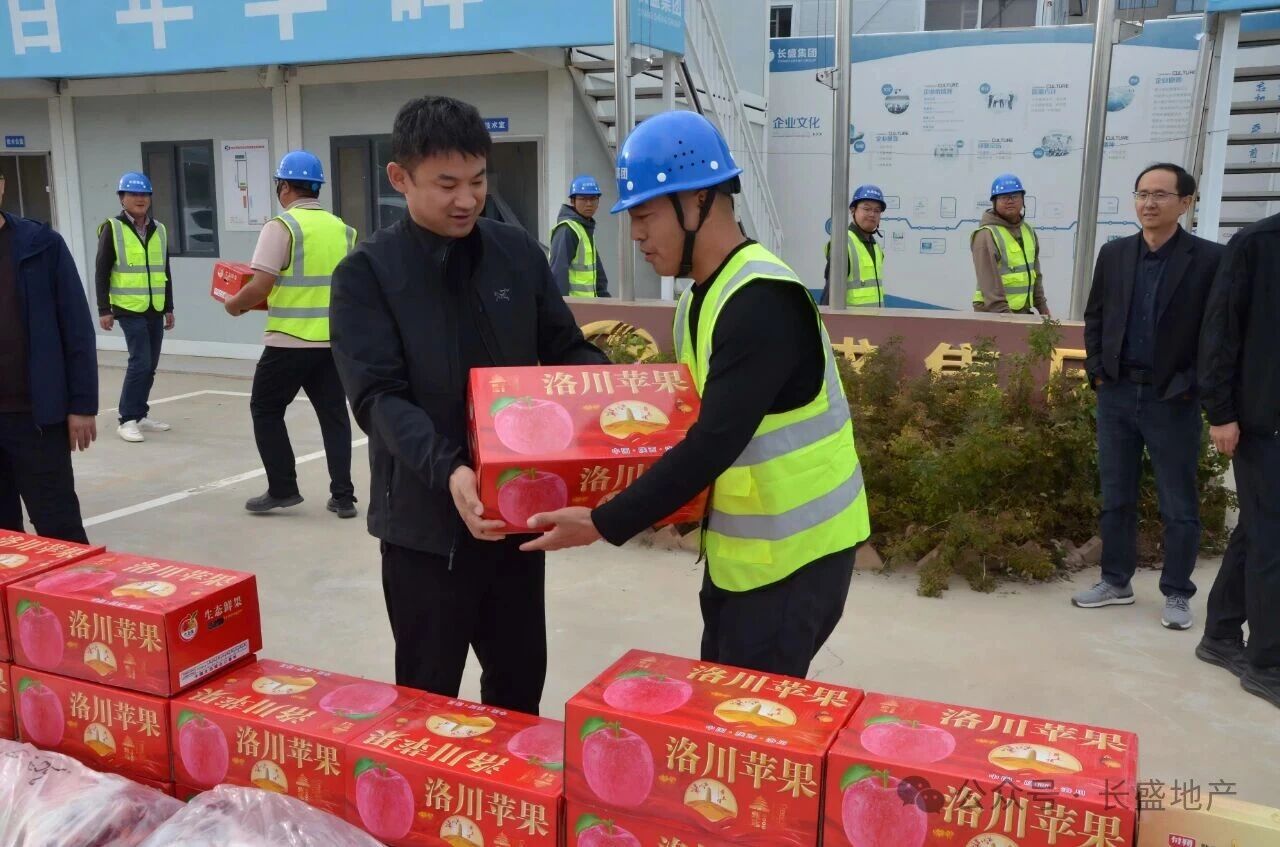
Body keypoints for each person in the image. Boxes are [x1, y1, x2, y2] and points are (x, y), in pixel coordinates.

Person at [522, 111, 871, 678]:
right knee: (721, 702)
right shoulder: (699, 299)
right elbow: (681, 416)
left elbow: (713, 442)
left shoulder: (761, 301)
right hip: (745, 556)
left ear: (698, 201)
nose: (635, 234)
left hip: (795, 561)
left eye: (644, 215)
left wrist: (606, 520)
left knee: (749, 720)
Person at [329, 96, 608, 715]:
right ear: (400, 177)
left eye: (478, 181)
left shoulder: (517, 253)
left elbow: (564, 348)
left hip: (517, 520)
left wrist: (616, 395)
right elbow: (377, 397)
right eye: (446, 184)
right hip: (427, 530)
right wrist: (450, 468)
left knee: (518, 689)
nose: (466, 199)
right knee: (428, 700)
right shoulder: (368, 274)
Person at [1075, 163, 1224, 630]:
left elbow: (1218, 332)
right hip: (1117, 393)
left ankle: (1177, 592)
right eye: (1142, 194)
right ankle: (1115, 581)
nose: (1149, 203)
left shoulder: (1209, 260)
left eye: (1160, 195)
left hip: (1172, 399)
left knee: (1177, 503)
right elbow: (1096, 316)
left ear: (1186, 202)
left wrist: (1191, 384)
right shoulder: (1115, 254)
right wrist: (1098, 371)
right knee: (1116, 496)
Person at [222, 151, 358, 520]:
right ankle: (343, 497)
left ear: (283, 186)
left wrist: (234, 305)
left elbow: (261, 284)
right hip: (331, 343)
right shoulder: (344, 230)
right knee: (334, 417)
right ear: (317, 188)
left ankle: (283, 489)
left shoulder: (281, 227)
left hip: (288, 341)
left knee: (265, 409)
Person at [1197, 210, 1280, 708]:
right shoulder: (1257, 243)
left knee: (1258, 529)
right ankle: (1267, 663)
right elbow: (1220, 333)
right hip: (1261, 424)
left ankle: (1221, 633)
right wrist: (1222, 413)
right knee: (1273, 540)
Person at [0, 171, 98, 544]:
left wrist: (82, 404)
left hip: (37, 419)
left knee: (60, 532)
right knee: (4, 541)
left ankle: (77, 586)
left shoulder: (40, 245)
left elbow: (76, 327)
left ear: (2, 184)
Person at [95, 171, 175, 444]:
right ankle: (127, 419)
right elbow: (102, 271)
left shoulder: (159, 229)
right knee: (140, 362)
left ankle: (140, 414)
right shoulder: (113, 228)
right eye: (133, 194)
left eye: (144, 194)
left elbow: (165, 270)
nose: (140, 199)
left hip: (155, 306)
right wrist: (104, 309)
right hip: (128, 307)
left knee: (150, 364)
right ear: (122, 198)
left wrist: (169, 306)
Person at [971, 173, 1050, 316]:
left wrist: (1042, 307)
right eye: (1004, 197)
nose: (1010, 201)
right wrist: (1007, 317)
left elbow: (1035, 273)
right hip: (993, 314)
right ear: (994, 202)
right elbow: (989, 283)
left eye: (1015, 196)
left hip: (1020, 313)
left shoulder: (1028, 231)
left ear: (1022, 199)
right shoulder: (986, 234)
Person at [821, 184, 886, 307]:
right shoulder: (843, 244)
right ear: (853, 210)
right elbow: (829, 295)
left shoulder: (876, 247)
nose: (872, 214)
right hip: (851, 320)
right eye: (867, 209)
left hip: (876, 318)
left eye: (877, 210)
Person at [549, 175, 610, 298]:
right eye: (583, 199)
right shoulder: (567, 230)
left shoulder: (584, 228)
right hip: (574, 306)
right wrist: (562, 306)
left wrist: (606, 302)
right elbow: (558, 273)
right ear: (573, 201)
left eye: (593, 199)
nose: (589, 204)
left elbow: (598, 275)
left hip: (588, 305)